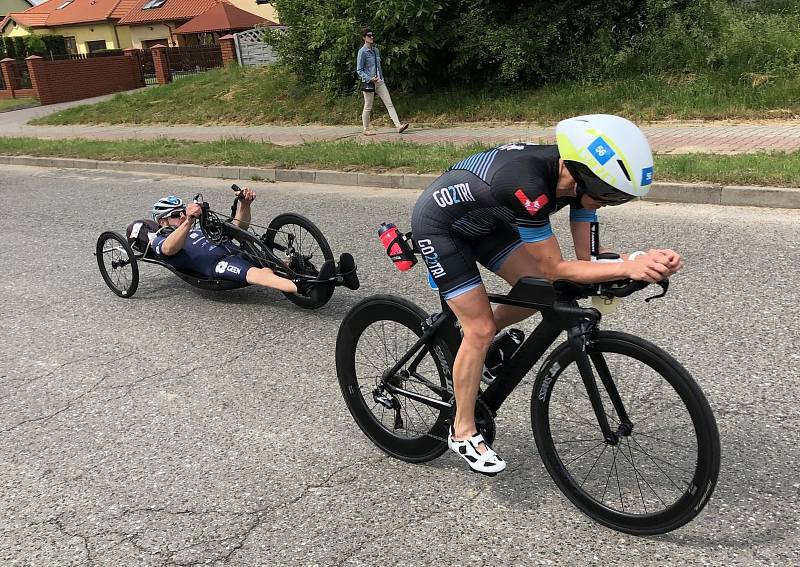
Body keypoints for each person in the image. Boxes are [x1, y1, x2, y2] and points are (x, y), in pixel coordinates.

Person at [410, 114, 683, 476]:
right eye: (609, 195)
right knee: (481, 328)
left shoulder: (578, 181)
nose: (608, 203)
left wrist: (639, 259)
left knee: (538, 291)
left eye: (619, 198)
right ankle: (461, 431)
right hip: (442, 227)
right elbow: (556, 267)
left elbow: (587, 261)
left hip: (488, 223)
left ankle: (469, 341)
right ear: (583, 175)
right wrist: (628, 267)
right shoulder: (528, 182)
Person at [149, 188, 328, 299]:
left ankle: (327, 273)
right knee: (259, 274)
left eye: (182, 212)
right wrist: (188, 220)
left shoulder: (199, 228)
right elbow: (168, 249)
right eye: (175, 215)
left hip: (237, 251)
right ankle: (307, 288)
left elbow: (237, 228)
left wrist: (245, 205)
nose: (181, 216)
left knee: (275, 262)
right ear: (162, 221)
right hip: (217, 265)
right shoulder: (160, 238)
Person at [356, 27, 409, 136]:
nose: (372, 37)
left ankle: (398, 126)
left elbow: (378, 66)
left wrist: (380, 77)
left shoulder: (376, 50)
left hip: (379, 82)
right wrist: (370, 78)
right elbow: (359, 70)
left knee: (389, 104)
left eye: (372, 35)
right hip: (369, 82)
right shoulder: (362, 52)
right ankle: (365, 129)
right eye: (369, 36)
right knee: (368, 106)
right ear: (364, 38)